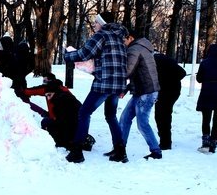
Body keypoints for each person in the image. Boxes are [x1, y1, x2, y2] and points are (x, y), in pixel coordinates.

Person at [63, 12, 128, 163]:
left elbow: (85, 53)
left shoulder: (102, 36)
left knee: (84, 112)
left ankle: (77, 151)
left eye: (96, 22)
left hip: (104, 83)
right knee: (111, 116)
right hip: (118, 84)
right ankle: (120, 151)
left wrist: (67, 56)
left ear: (103, 23)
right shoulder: (120, 38)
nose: (94, 24)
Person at [117, 31, 161, 161]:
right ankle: (120, 148)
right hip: (142, 91)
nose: (122, 43)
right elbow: (139, 74)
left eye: (123, 40)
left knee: (142, 123)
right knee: (125, 119)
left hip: (146, 93)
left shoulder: (135, 49)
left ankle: (156, 151)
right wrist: (125, 89)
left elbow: (128, 71)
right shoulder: (144, 48)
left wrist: (114, 76)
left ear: (130, 37)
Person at [153, 51, 186, 150]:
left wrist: (165, 80)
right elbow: (182, 73)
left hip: (165, 91)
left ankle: (165, 142)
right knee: (165, 115)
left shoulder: (154, 61)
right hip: (174, 91)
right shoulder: (168, 60)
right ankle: (165, 139)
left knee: (161, 116)